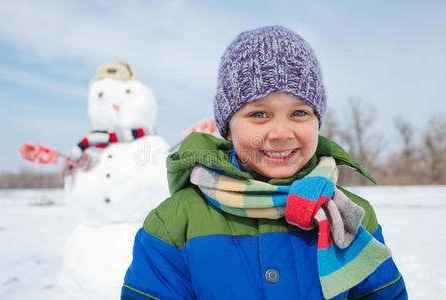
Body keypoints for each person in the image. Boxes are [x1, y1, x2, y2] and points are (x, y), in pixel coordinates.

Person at [121, 25, 407, 299]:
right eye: (259, 115)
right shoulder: (174, 224)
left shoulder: (350, 215)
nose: (281, 133)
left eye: (299, 113)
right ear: (228, 128)